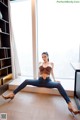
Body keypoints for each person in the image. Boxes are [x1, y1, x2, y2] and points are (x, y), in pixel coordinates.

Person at [2, 52, 80, 115]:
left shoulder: (51, 63)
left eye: (45, 56)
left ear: (48, 56)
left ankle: (70, 105)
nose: (43, 58)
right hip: (39, 81)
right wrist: (36, 78)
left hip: (48, 82)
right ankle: (12, 94)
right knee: (26, 81)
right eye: (42, 57)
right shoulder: (40, 63)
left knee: (58, 85)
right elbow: (39, 72)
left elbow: (52, 72)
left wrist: (55, 80)